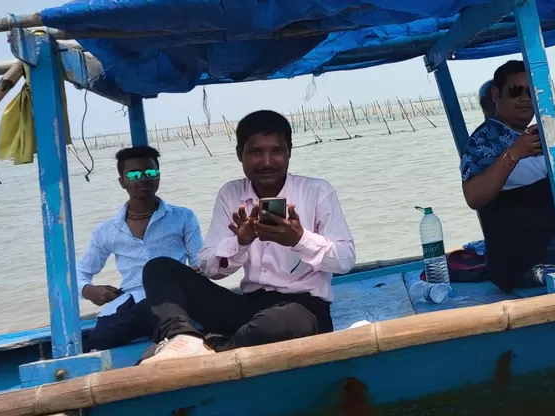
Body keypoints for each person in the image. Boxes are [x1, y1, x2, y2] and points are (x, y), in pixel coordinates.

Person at [141, 110, 355, 361]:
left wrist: (298, 240)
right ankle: (182, 338)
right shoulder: (230, 194)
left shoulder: (317, 192)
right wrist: (240, 243)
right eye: (255, 152)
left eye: (277, 151)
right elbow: (209, 267)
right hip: (248, 305)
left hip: (303, 308)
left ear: (289, 151)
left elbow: (345, 260)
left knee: (276, 324)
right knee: (159, 268)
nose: (267, 161)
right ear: (239, 153)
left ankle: (214, 346)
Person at [461, 61, 555, 290]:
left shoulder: (539, 133)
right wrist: (514, 153)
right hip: (523, 261)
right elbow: (474, 197)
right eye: (515, 91)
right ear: (495, 94)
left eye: (531, 92)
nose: (524, 98)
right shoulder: (483, 142)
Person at [76, 146, 202, 351]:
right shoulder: (107, 230)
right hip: (130, 302)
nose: (143, 179)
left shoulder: (182, 217)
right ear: (122, 182)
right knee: (102, 337)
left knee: (156, 308)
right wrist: (89, 290)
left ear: (158, 177)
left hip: (174, 299)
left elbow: (200, 262)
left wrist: (197, 272)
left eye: (150, 172)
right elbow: (80, 273)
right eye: (134, 174)